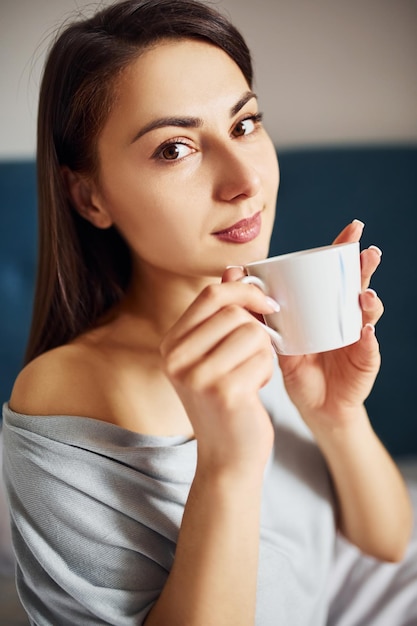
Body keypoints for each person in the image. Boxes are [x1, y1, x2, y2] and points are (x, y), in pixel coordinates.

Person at [2, 1, 414, 624]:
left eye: (245, 124)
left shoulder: (274, 323)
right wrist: (226, 463)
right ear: (89, 197)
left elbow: (387, 543)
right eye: (175, 148)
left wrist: (336, 416)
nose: (244, 178)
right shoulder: (70, 388)